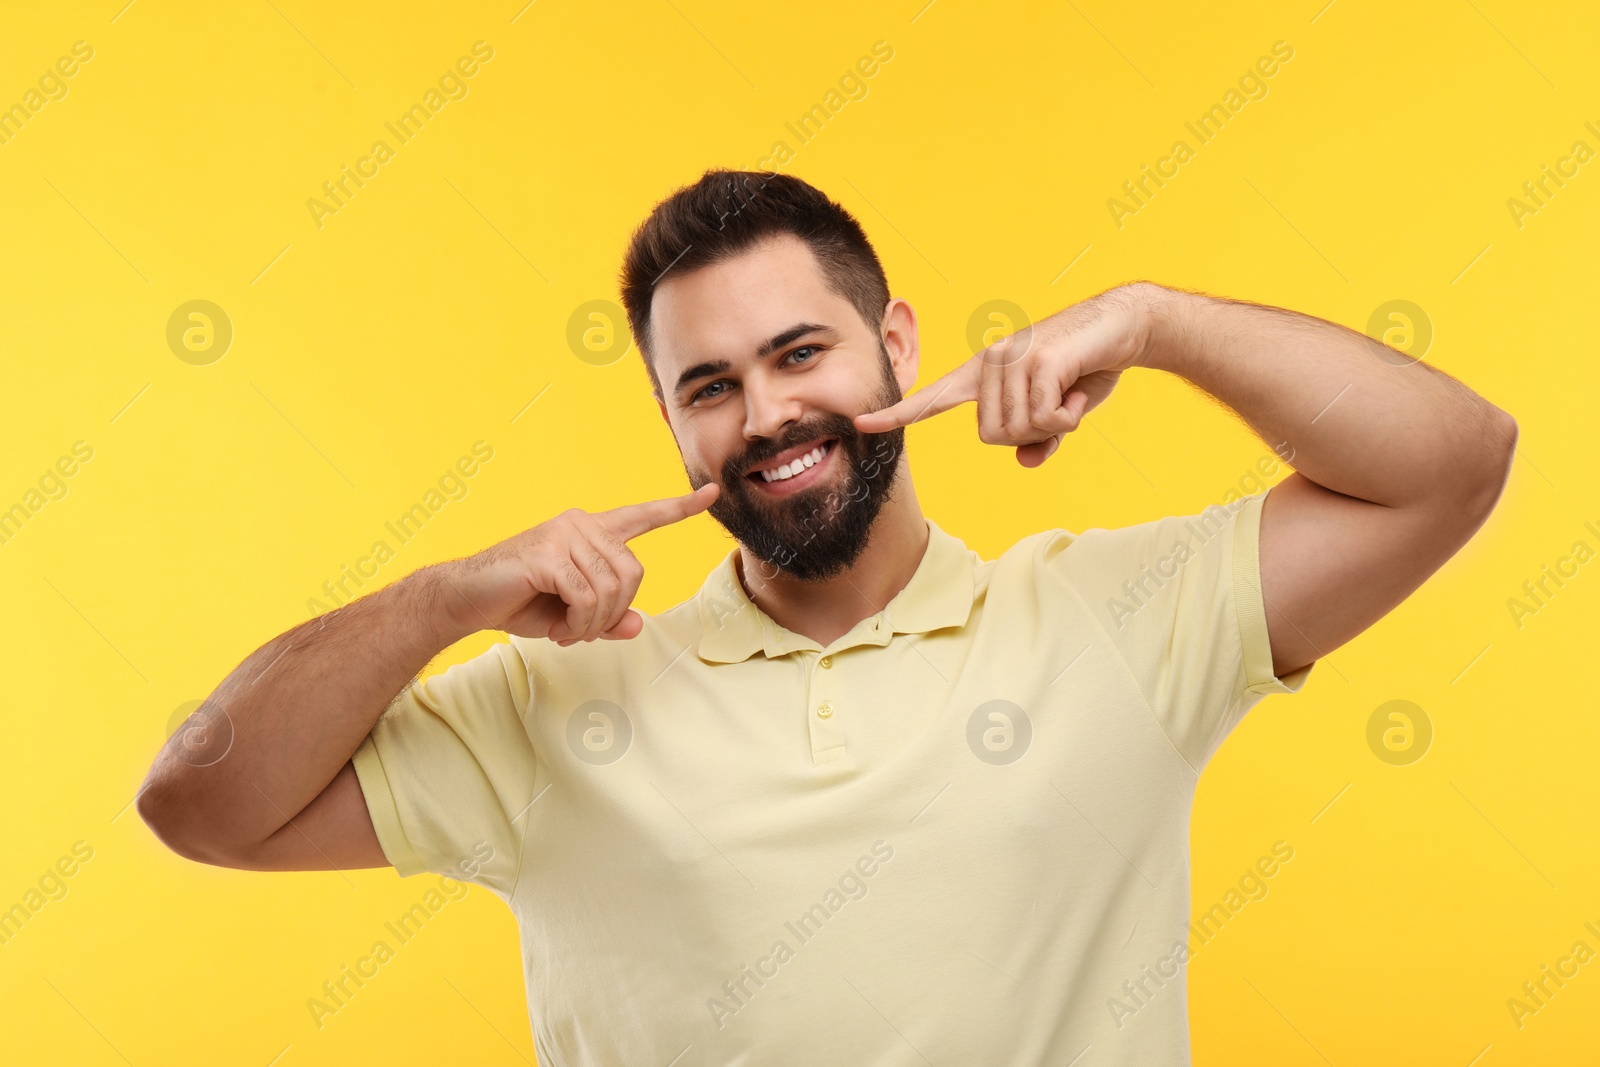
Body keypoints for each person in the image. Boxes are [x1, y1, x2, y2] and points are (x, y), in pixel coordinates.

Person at [138, 169, 1517, 1065]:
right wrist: (441, 599)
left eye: (802, 355)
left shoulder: (1117, 618)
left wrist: (1152, 321)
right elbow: (199, 804)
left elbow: (1448, 465)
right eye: (710, 387)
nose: (768, 418)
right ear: (673, 424)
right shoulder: (555, 702)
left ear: (899, 350)